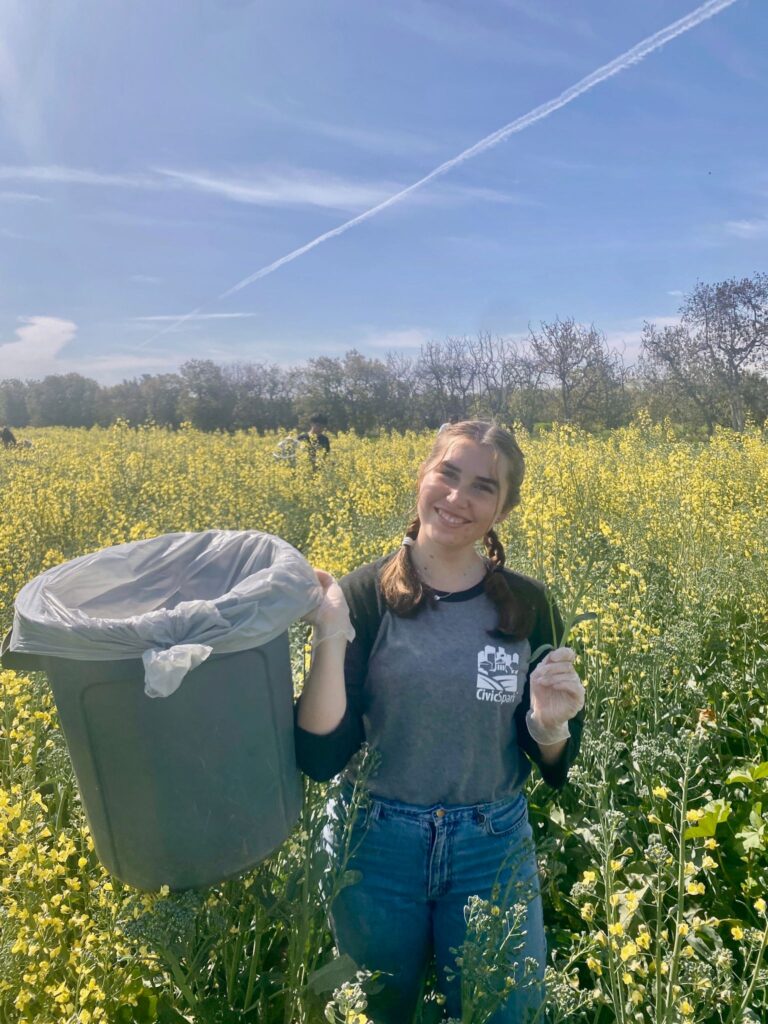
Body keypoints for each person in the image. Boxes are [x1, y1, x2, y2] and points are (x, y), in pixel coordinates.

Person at [295, 420, 586, 1024]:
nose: (458, 498)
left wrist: (551, 726)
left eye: (483, 487)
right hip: (373, 846)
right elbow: (322, 758)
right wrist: (330, 633)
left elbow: (555, 764)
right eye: (447, 475)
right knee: (375, 1014)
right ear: (422, 477)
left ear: (504, 507)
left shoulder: (529, 605)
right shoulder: (364, 596)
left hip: (492, 844)